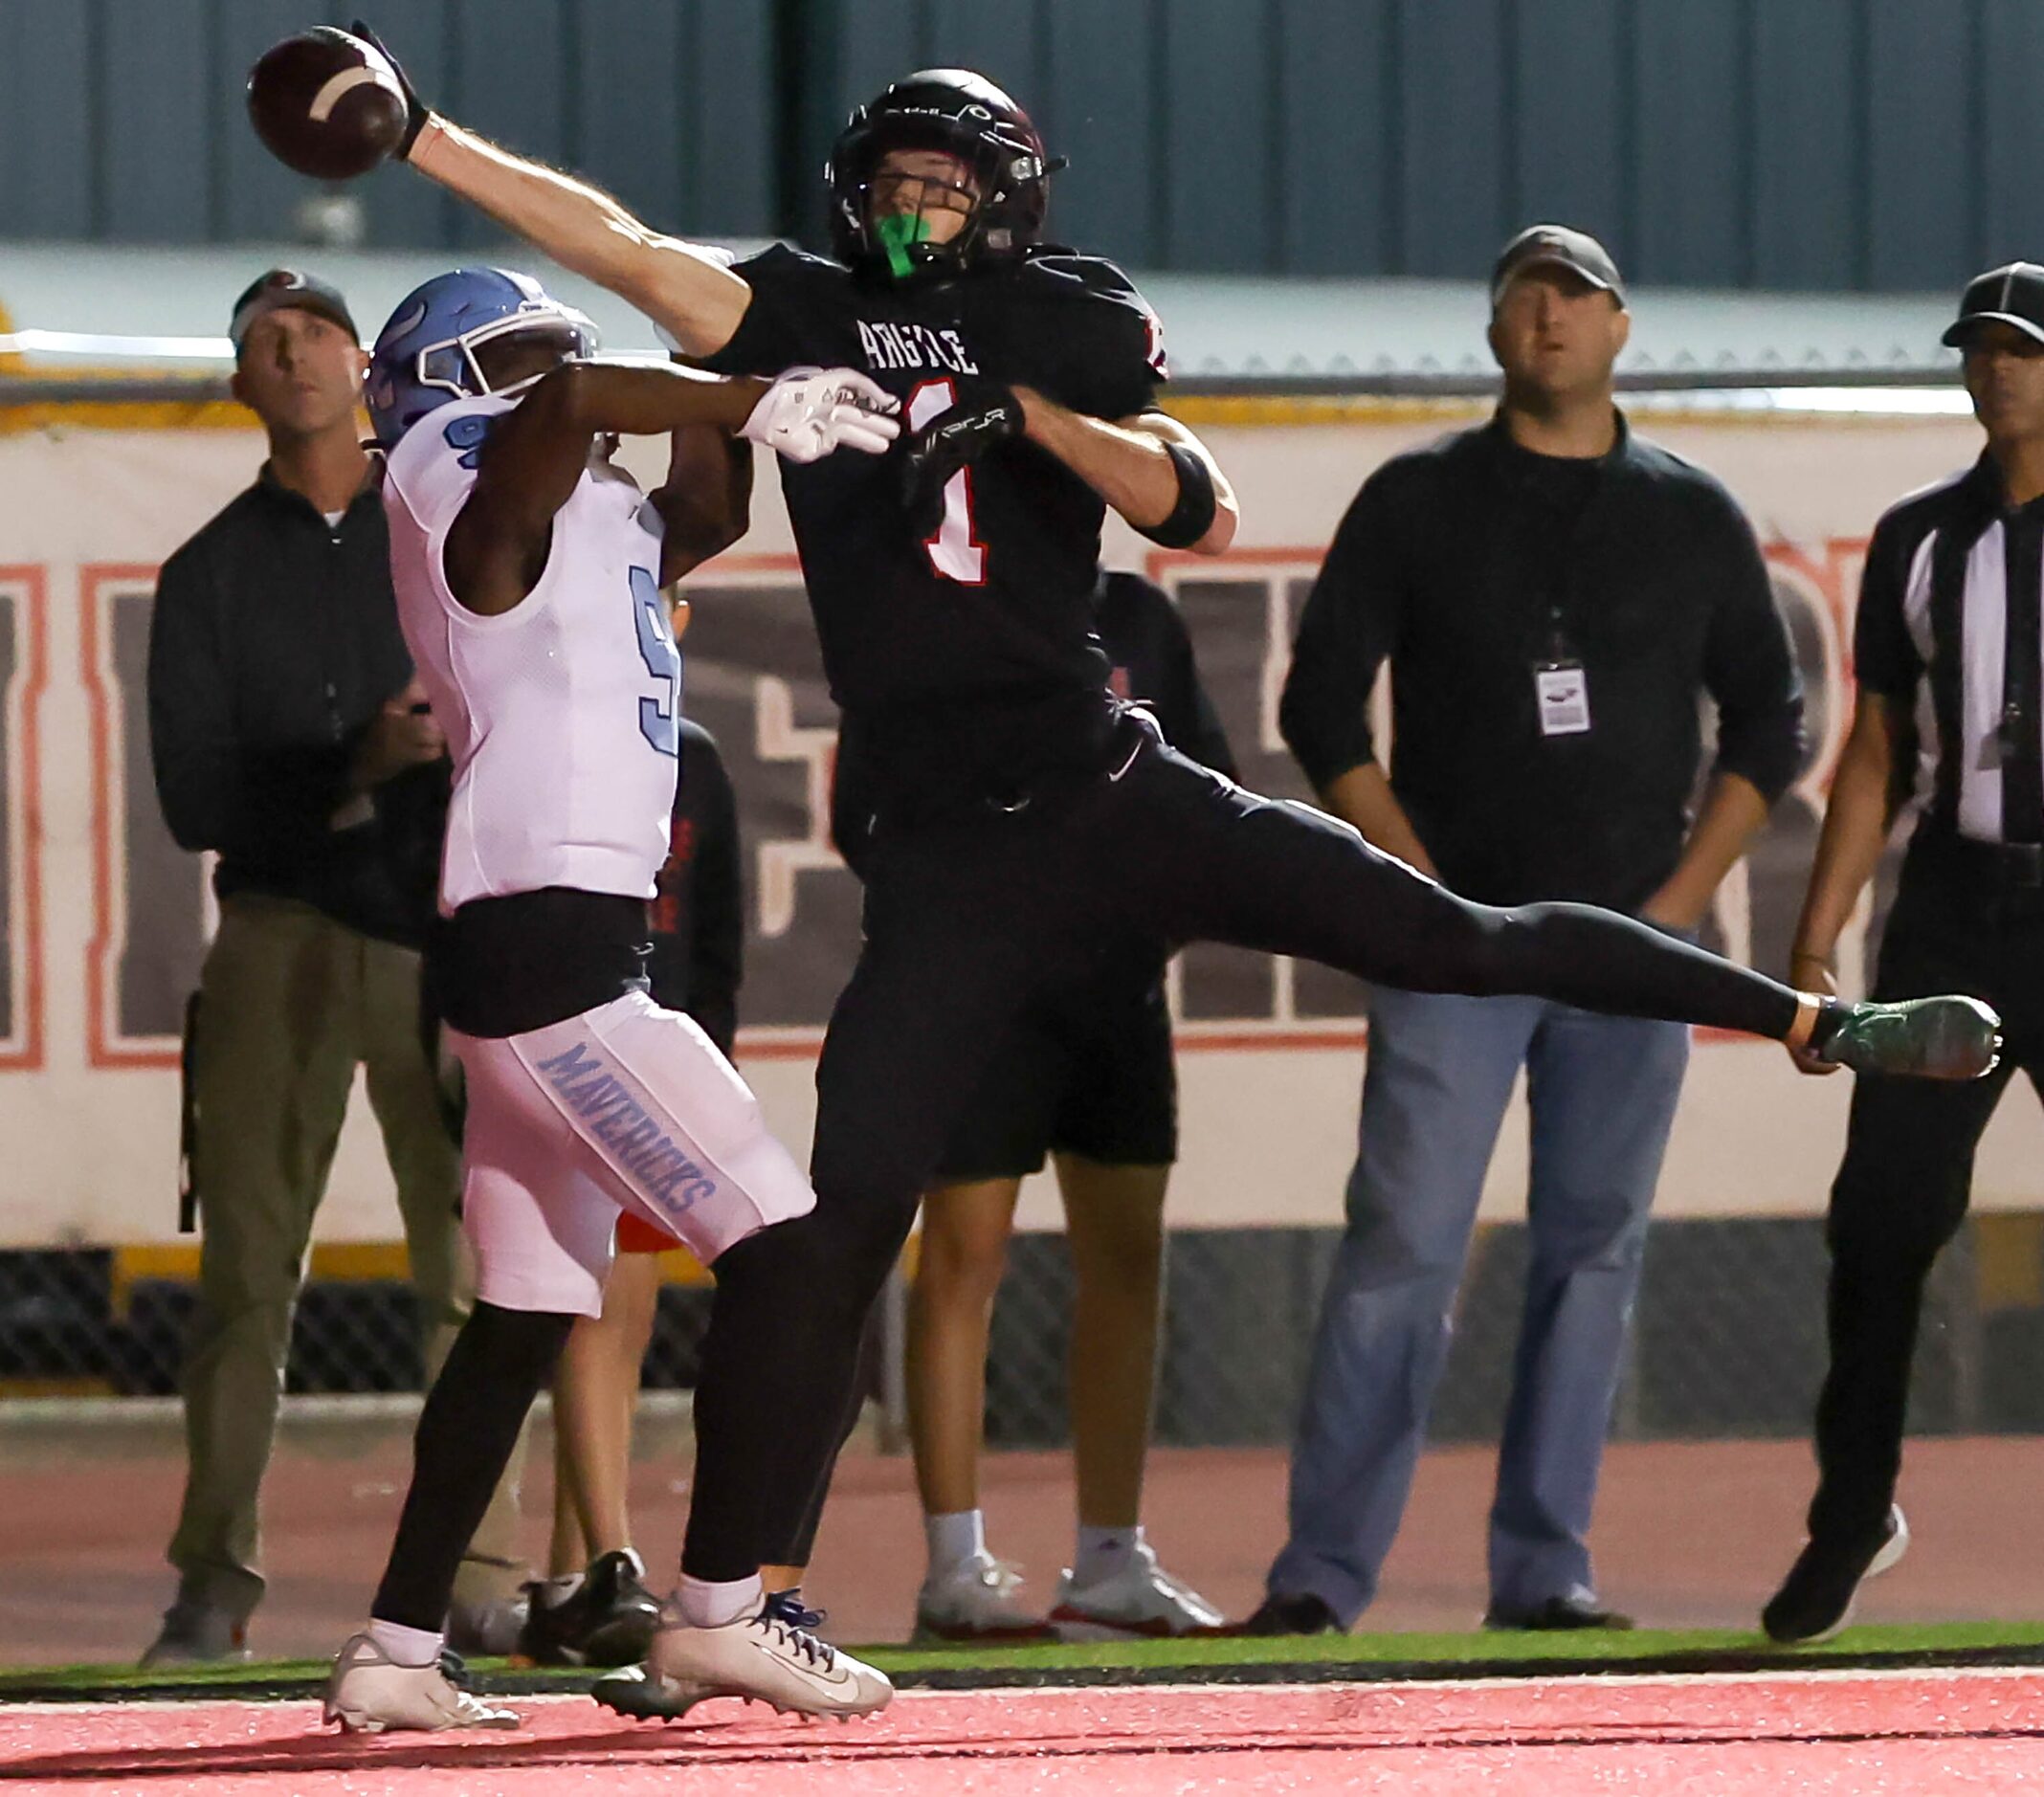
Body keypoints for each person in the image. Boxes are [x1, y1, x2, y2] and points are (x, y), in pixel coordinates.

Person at [352, 42, 1998, 1724]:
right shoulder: (802, 310)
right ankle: (733, 1597)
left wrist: (1032, 417)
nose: (915, 210)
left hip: (1103, 785)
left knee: (1457, 935)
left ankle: (1814, 1015)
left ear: (1003, 198)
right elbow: (620, 245)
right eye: (895, 183)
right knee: (837, 1227)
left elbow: (1190, 499)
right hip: (943, 849)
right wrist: (414, 136)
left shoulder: (1067, 312)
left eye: (946, 184)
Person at [314, 262, 899, 1732]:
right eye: (516, 350)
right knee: (789, 1253)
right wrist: (747, 391)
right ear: (445, 384)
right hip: (554, 954)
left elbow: (707, 508)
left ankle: (393, 1644)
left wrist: (722, 366)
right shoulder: (460, 495)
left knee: (521, 1312)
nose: (554, 367)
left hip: (541, 947)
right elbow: (576, 398)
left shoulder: (568, 513)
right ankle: (719, 1610)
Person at [1238, 226, 1807, 1638]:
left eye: (1571, 296)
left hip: (1630, 954)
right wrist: (1421, 889)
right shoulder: (1420, 498)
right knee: (1402, 1248)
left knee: (1592, 1253)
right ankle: (1321, 1575)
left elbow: (1773, 724)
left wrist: (1676, 915)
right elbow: (1320, 710)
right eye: (1520, 297)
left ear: (1622, 325)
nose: (1545, 316)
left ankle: (1546, 1565)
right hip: (1456, 950)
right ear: (1495, 332)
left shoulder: (1691, 512)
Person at [142, 268, 524, 1666]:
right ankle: (212, 1582)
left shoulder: (446, 532)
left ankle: (476, 1573)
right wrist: (351, 766)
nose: (289, 355)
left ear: (369, 365)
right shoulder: (207, 572)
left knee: (471, 1269)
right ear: (239, 383)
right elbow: (196, 802)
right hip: (281, 931)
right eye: (260, 340)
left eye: (310, 332)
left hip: (437, 924)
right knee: (247, 1266)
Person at [1763, 262, 2044, 1644]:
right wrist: (1819, 936)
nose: (1999, 371)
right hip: (1953, 904)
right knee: (1879, 1223)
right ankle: (1851, 1509)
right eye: (1981, 348)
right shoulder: (1922, 536)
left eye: (2025, 350)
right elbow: (1875, 747)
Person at [884, 569, 1236, 1642]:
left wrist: (1149, 922)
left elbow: (1206, 793)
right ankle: (956, 1567)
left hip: (1117, 990)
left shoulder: (1138, 614)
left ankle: (1110, 1562)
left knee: (1127, 1258)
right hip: (985, 995)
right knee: (962, 1258)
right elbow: (876, 804)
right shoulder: (938, 606)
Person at [521, 706, 744, 1669]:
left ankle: (572, 1581)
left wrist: (709, 1067)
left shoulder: (692, 756)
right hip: (571, 1049)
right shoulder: (539, 741)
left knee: (623, 1318)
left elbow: (718, 934)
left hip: (660, 1055)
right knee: (595, 1312)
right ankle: (596, 1569)